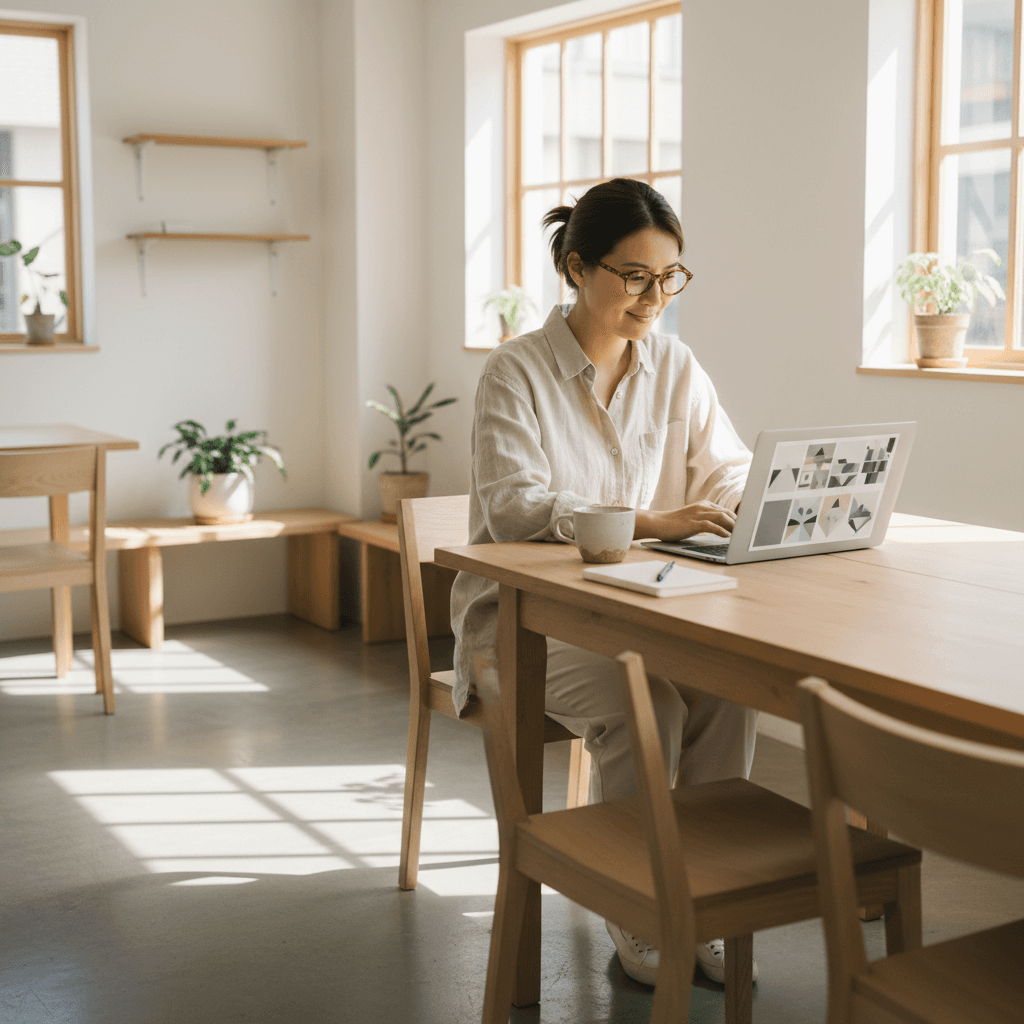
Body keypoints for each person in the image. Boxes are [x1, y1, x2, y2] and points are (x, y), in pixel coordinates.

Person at [450, 178, 759, 988]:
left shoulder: (674, 364)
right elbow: (517, 511)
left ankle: (708, 901)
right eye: (635, 277)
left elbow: (725, 469)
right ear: (577, 268)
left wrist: (749, 504)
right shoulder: (515, 373)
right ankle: (644, 910)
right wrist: (652, 521)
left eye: (669, 278)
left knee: (729, 686)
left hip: (639, 603)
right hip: (519, 618)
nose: (655, 298)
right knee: (644, 701)